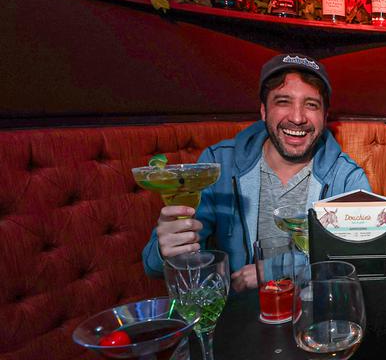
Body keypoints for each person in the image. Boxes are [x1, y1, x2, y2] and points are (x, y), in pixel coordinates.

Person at [143, 53, 371, 291]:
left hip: (316, 312)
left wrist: (275, 270)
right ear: (263, 111)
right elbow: (154, 268)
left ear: (324, 116)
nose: (297, 117)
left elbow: (359, 261)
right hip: (240, 312)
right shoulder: (219, 163)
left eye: (311, 105)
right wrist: (165, 249)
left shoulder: (347, 178)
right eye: (283, 102)